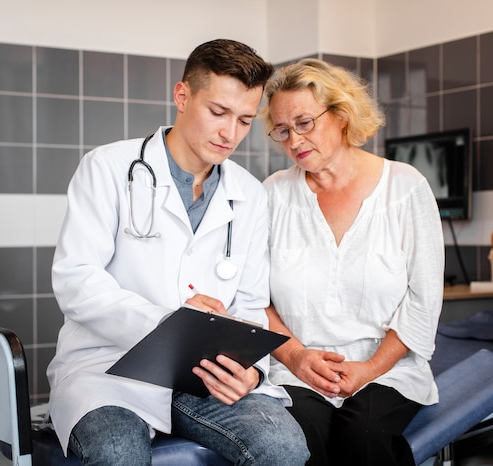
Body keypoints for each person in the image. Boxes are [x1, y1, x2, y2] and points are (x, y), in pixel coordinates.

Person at [47, 39, 310, 466]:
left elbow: (251, 305)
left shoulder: (248, 194)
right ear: (182, 96)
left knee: (283, 447)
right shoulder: (108, 168)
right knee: (118, 454)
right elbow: (77, 281)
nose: (230, 134)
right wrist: (171, 324)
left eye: (245, 120)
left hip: (205, 375)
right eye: (218, 112)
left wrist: (250, 371)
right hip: (110, 369)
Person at [258, 58, 445, 466]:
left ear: (341, 116)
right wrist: (296, 357)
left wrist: (370, 368)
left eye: (304, 123)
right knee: (297, 440)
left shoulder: (405, 187)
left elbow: (423, 298)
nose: (293, 141)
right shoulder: (273, 195)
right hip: (299, 369)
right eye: (282, 130)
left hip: (386, 371)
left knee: (362, 436)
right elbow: (255, 297)